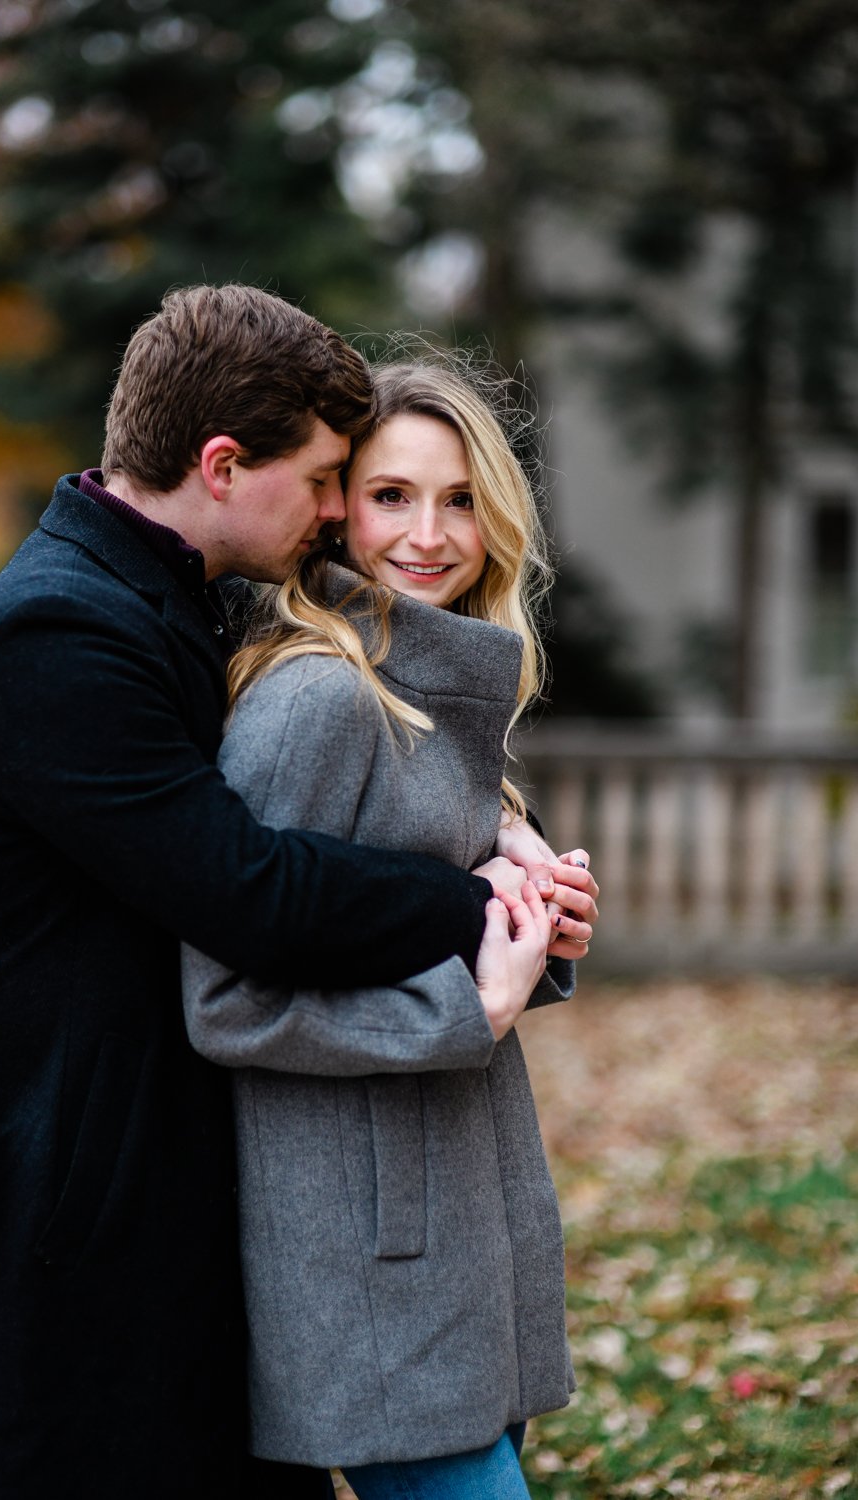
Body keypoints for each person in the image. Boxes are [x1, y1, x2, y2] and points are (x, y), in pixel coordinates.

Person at [0, 286, 595, 1500]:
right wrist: (490, 914)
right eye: (337, 482)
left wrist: (503, 834)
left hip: (217, 1192)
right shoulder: (56, 633)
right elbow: (248, 889)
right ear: (222, 466)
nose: (342, 516)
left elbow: (369, 730)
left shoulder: (172, 594)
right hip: (105, 1217)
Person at [182, 356, 599, 1498]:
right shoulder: (317, 700)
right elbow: (227, 1000)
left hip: (458, 1212)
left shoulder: (428, 681)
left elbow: (396, 911)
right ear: (336, 510)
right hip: (370, 1253)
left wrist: (531, 922)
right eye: (391, 495)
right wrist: (470, 1004)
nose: (430, 534)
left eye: (460, 498)